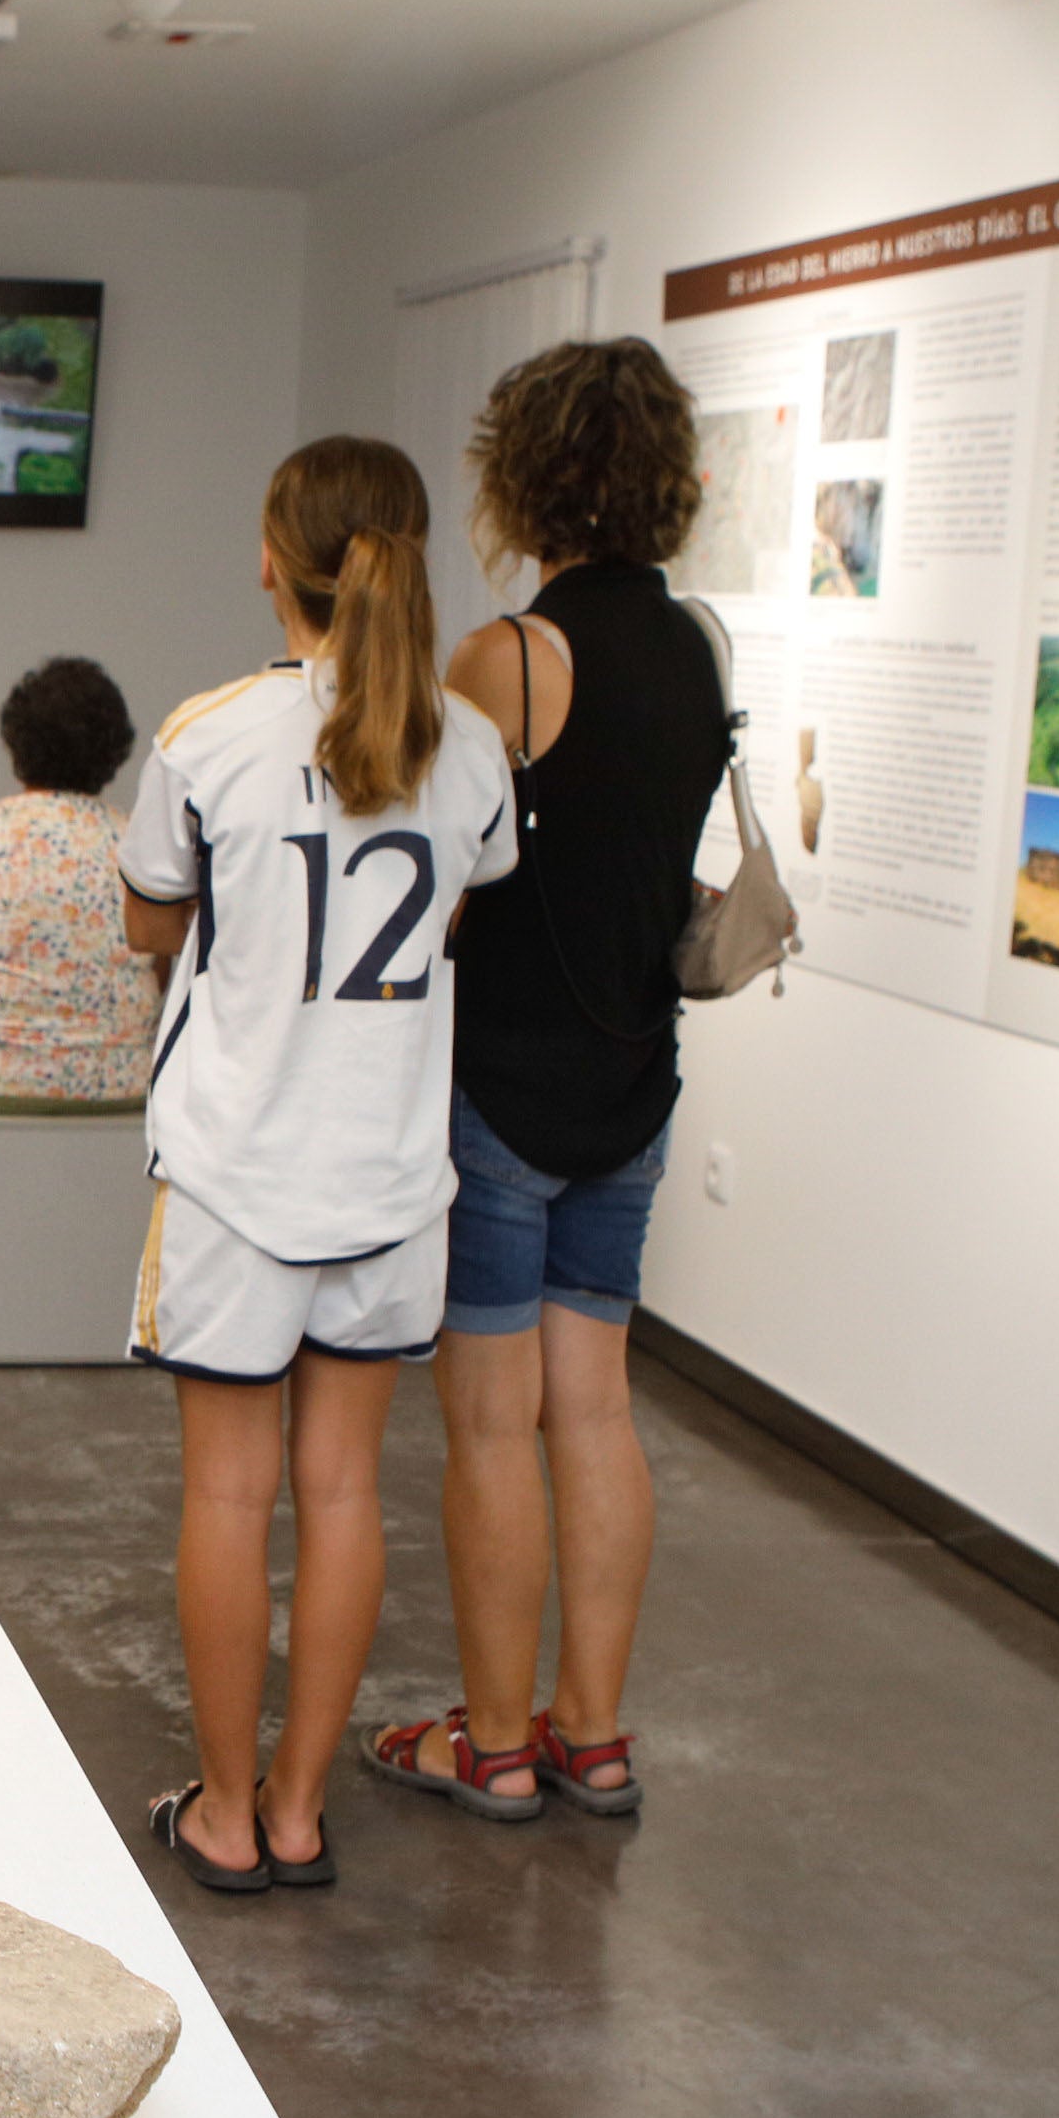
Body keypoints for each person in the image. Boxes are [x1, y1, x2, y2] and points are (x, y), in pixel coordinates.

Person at [120, 438, 515, 1890]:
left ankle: (222, 1816)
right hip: (395, 1180)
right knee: (345, 1490)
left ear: (271, 562)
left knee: (231, 1494)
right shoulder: (473, 749)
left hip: (236, 1173)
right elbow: (457, 918)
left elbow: (152, 925)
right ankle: (298, 1809)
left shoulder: (208, 736)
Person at [367, 338, 730, 1825]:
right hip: (635, 1090)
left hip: (501, 1095)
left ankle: (497, 1740)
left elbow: (437, 884)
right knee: (597, 1410)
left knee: (489, 1422)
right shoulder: (699, 646)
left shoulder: (509, 661)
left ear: (525, 475)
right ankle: (595, 1732)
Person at [0, 658, 163, 1112]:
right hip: (118, 1082)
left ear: (15, 744)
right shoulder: (138, 844)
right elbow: (156, 977)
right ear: (115, 752)